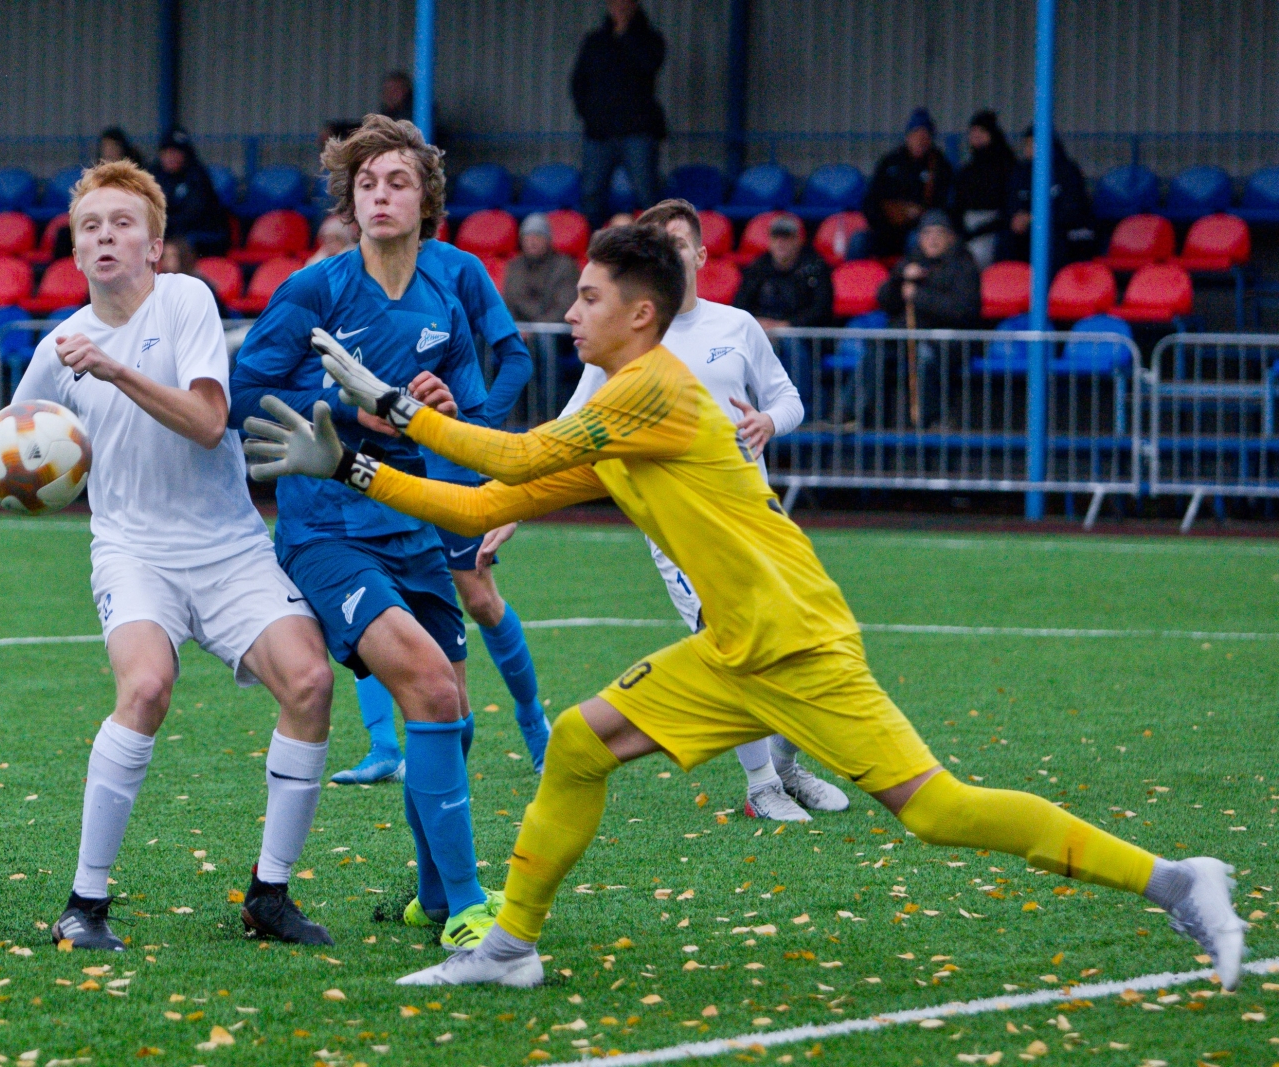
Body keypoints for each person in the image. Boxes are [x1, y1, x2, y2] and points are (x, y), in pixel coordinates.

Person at [244, 225, 1248, 993]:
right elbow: (492, 500)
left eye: (589, 296)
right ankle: (508, 948)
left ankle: (1176, 878)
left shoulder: (651, 389)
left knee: (936, 809)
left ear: (639, 313)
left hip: (796, 640)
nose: (572, 310)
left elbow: (509, 457)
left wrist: (398, 413)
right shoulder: (617, 400)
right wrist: (355, 461)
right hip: (736, 646)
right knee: (582, 745)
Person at [0, 159, 339, 952]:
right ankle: (83, 903)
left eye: (123, 223)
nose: (106, 236)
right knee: (145, 686)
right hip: (133, 549)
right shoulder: (59, 347)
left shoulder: (185, 301)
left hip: (229, 547)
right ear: (74, 252)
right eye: (90, 227)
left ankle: (268, 894)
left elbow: (210, 422)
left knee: (310, 682)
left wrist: (114, 367)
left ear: (156, 245)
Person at [229, 115, 500, 952]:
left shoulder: (442, 300)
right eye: (366, 185)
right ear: (349, 204)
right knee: (428, 682)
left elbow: (471, 415)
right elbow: (242, 393)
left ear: (427, 204)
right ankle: (466, 908)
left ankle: (427, 894)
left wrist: (442, 413)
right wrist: (349, 406)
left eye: (398, 183)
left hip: (412, 520)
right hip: (328, 529)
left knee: (450, 717)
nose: (380, 196)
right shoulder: (317, 289)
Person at [560, 203, 839, 823]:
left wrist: (769, 421)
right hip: (682, 534)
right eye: (657, 247)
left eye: (680, 245)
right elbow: (568, 427)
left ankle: (789, 769)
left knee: (800, 641)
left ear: (702, 256)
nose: (670, 256)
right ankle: (761, 784)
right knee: (732, 646)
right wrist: (508, 499)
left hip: (759, 519)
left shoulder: (737, 325)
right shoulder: (629, 338)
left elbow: (787, 398)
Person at [328, 220, 552, 795]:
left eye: (400, 183)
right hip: (381, 458)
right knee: (376, 589)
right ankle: (384, 746)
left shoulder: (460, 268)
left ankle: (535, 728)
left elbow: (516, 359)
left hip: (450, 460)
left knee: (476, 595)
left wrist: (471, 435)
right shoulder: (337, 277)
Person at [866, 210, 980, 428]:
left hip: (949, 341)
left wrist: (919, 296)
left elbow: (962, 311)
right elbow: (886, 303)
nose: (933, 239)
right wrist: (899, 278)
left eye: (939, 233)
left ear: (951, 237)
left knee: (925, 356)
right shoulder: (911, 262)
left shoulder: (964, 265)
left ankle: (932, 420)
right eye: (927, 234)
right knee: (875, 352)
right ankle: (850, 414)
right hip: (909, 335)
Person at [571, 0, 666, 226]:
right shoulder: (595, 41)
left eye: (625, 4)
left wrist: (626, 34)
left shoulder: (650, 39)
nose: (620, 8)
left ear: (635, 6)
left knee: (647, 195)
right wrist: (589, 114)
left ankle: (653, 248)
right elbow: (578, 82)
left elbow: (650, 65)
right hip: (599, 133)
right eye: (615, 4)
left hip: (638, 131)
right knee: (591, 194)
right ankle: (595, 251)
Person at [1000, 126, 1094, 272]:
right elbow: (1011, 202)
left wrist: (1034, 218)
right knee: (1006, 240)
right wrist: (1016, 218)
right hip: (1029, 231)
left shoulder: (1067, 171)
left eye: (1034, 144)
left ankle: (1052, 290)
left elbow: (1073, 211)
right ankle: (1008, 290)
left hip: (1063, 231)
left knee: (1051, 241)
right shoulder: (1021, 172)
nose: (1029, 149)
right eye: (1027, 144)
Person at [863, 108, 953, 258]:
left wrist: (919, 214)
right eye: (915, 135)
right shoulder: (890, 162)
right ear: (908, 136)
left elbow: (943, 205)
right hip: (886, 229)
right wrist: (887, 218)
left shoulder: (939, 165)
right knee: (859, 241)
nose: (920, 140)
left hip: (918, 229)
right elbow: (872, 199)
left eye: (924, 136)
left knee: (915, 241)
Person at [734, 214, 833, 330]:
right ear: (770, 241)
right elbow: (739, 305)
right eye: (776, 237)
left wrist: (786, 326)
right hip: (763, 330)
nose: (780, 242)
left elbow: (821, 310)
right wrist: (757, 323)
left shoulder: (815, 268)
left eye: (787, 237)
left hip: (801, 336)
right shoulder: (757, 268)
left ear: (798, 240)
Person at [951, 110, 1017, 269]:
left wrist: (978, 230)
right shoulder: (967, 170)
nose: (976, 136)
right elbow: (957, 205)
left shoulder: (1007, 165)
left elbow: (1007, 207)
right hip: (967, 225)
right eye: (973, 132)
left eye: (981, 131)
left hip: (993, 227)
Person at [148, 128, 229, 256]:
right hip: (168, 232)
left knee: (176, 247)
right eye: (166, 152)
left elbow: (193, 215)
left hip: (199, 235)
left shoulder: (197, 176)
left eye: (175, 152)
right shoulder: (153, 175)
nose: (170, 156)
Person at [503, 213, 578, 324]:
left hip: (555, 333)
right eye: (527, 237)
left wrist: (536, 330)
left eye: (537, 236)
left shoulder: (565, 266)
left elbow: (565, 307)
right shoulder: (515, 266)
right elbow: (509, 302)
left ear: (547, 239)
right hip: (519, 330)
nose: (532, 242)